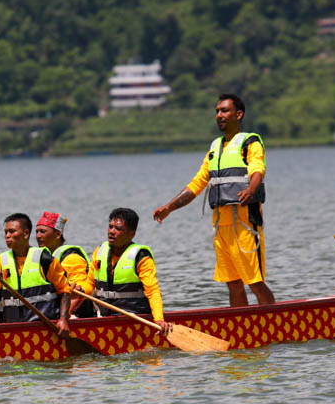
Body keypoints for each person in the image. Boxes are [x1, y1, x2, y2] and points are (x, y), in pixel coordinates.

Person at [153, 93, 275, 307]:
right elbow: (196, 184)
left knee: (254, 281)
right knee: (233, 283)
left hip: (246, 224)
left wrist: (251, 189)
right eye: (217, 111)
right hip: (221, 227)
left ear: (238, 114)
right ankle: (241, 328)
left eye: (224, 111)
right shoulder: (215, 148)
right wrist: (169, 208)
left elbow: (258, 169)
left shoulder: (250, 141)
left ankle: (275, 323)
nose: (219, 115)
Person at [0, 212, 73, 336]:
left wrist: (63, 320)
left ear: (26, 233)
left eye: (12, 231)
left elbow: (65, 291)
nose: (7, 236)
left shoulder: (44, 260)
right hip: (12, 331)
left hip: (43, 329)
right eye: (6, 232)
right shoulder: (0, 261)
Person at [88, 208, 172, 334]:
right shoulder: (99, 251)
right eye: (110, 227)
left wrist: (159, 319)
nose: (112, 232)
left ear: (132, 234)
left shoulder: (141, 257)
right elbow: (89, 283)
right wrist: (80, 290)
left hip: (133, 318)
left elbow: (153, 291)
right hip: (103, 317)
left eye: (118, 229)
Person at [34, 211, 94, 318]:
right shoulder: (44, 257)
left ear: (58, 235)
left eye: (42, 232)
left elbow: (81, 288)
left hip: (77, 315)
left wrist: (65, 316)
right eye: (37, 232)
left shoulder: (72, 258)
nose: (38, 236)